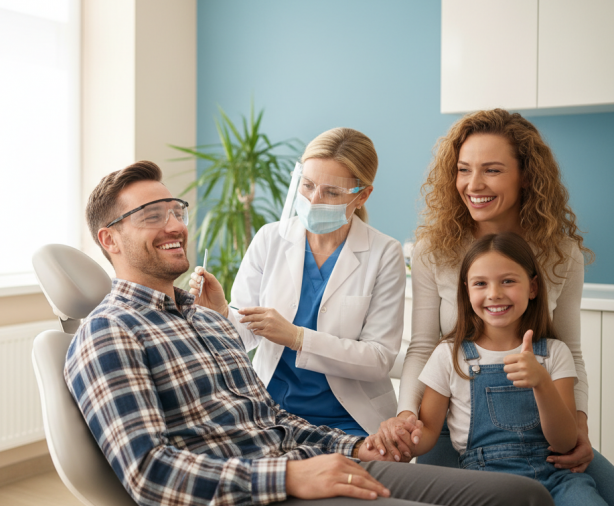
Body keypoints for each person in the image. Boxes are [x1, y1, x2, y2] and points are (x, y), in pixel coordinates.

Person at [64, 159, 554, 505]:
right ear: (109, 239)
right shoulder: (110, 333)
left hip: (313, 455)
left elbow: (269, 417)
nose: (174, 225)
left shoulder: (203, 318)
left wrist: (354, 448)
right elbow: (149, 474)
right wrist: (290, 477)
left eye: (176, 211)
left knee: (525, 495)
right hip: (265, 489)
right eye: (152, 216)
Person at [368, 109, 614, 501]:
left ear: (526, 175)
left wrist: (579, 426)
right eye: (464, 169)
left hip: (540, 429)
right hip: (455, 425)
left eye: (492, 170)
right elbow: (422, 346)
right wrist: (406, 415)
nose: (473, 184)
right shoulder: (434, 250)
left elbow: (572, 352)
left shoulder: (561, 254)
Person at [189, 128, 405, 438]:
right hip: (271, 413)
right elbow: (244, 336)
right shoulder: (270, 238)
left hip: (349, 419)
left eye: (331, 192)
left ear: (362, 195)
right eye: (307, 185)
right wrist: (222, 312)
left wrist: (297, 338)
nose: (314, 200)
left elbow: (378, 359)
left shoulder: (384, 253)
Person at [367, 233, 604, 504]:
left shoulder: (554, 353)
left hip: (560, 477)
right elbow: (429, 433)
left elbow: (564, 443)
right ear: (466, 291)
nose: (494, 294)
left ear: (533, 287)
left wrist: (542, 383)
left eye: (508, 281)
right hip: (486, 482)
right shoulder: (448, 356)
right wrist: (399, 435)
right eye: (481, 283)